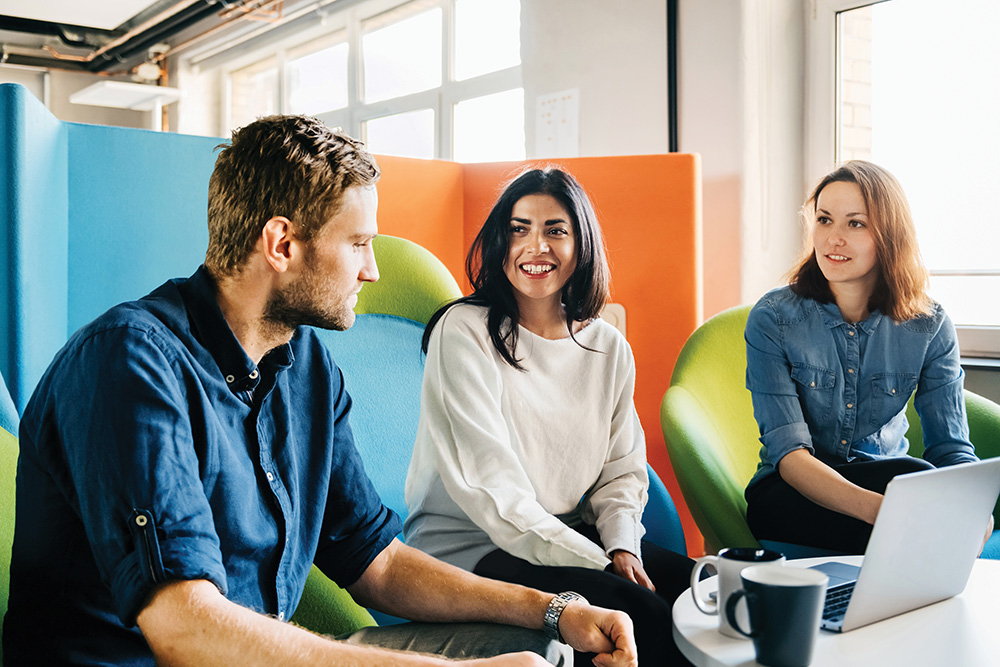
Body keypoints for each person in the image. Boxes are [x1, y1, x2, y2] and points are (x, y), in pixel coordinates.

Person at [2, 116, 639, 667]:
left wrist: (556, 609)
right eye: (358, 243)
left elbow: (378, 563)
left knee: (547, 647)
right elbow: (185, 630)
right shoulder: (130, 362)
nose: (373, 268)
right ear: (281, 244)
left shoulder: (304, 363)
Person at [404, 167, 695, 666]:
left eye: (555, 230)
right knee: (641, 614)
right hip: (470, 550)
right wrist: (600, 563)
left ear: (582, 246)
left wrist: (622, 547)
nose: (534, 247)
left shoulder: (608, 347)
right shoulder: (464, 332)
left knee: (704, 592)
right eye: (518, 229)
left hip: (565, 535)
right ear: (500, 241)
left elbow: (621, 471)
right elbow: (494, 494)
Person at [743, 160, 993, 555]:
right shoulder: (773, 318)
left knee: (917, 479)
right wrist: (885, 512)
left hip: (888, 480)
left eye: (854, 223)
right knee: (915, 489)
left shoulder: (929, 325)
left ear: (890, 235)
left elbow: (950, 448)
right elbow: (789, 456)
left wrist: (974, 507)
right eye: (824, 220)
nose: (832, 239)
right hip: (793, 493)